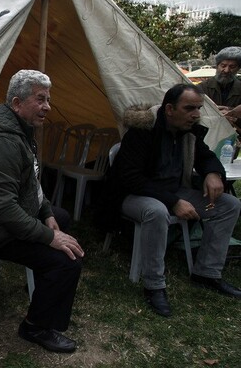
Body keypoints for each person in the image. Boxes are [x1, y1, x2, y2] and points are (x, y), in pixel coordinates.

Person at [0, 70, 84, 353]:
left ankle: (45, 290)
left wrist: (47, 214)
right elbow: (3, 209)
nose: (47, 107)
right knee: (65, 261)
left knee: (60, 219)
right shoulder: (3, 141)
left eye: (48, 100)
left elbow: (31, 185)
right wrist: (49, 238)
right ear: (16, 103)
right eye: (40, 100)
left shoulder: (19, 129)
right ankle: (35, 326)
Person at [101, 83, 241, 318]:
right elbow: (130, 178)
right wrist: (173, 201)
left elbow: (206, 157)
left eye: (198, 108)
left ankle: (206, 273)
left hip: (172, 191)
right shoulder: (141, 131)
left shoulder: (190, 131)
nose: (196, 114)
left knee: (229, 205)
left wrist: (213, 173)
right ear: (169, 109)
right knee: (157, 211)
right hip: (133, 194)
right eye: (189, 108)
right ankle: (154, 285)